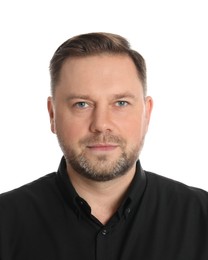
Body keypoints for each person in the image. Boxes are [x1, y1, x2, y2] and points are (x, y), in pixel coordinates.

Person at [0, 32, 208, 260]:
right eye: (82, 104)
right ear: (52, 115)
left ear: (146, 114)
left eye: (120, 103)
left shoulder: (202, 216)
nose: (101, 124)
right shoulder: (5, 220)